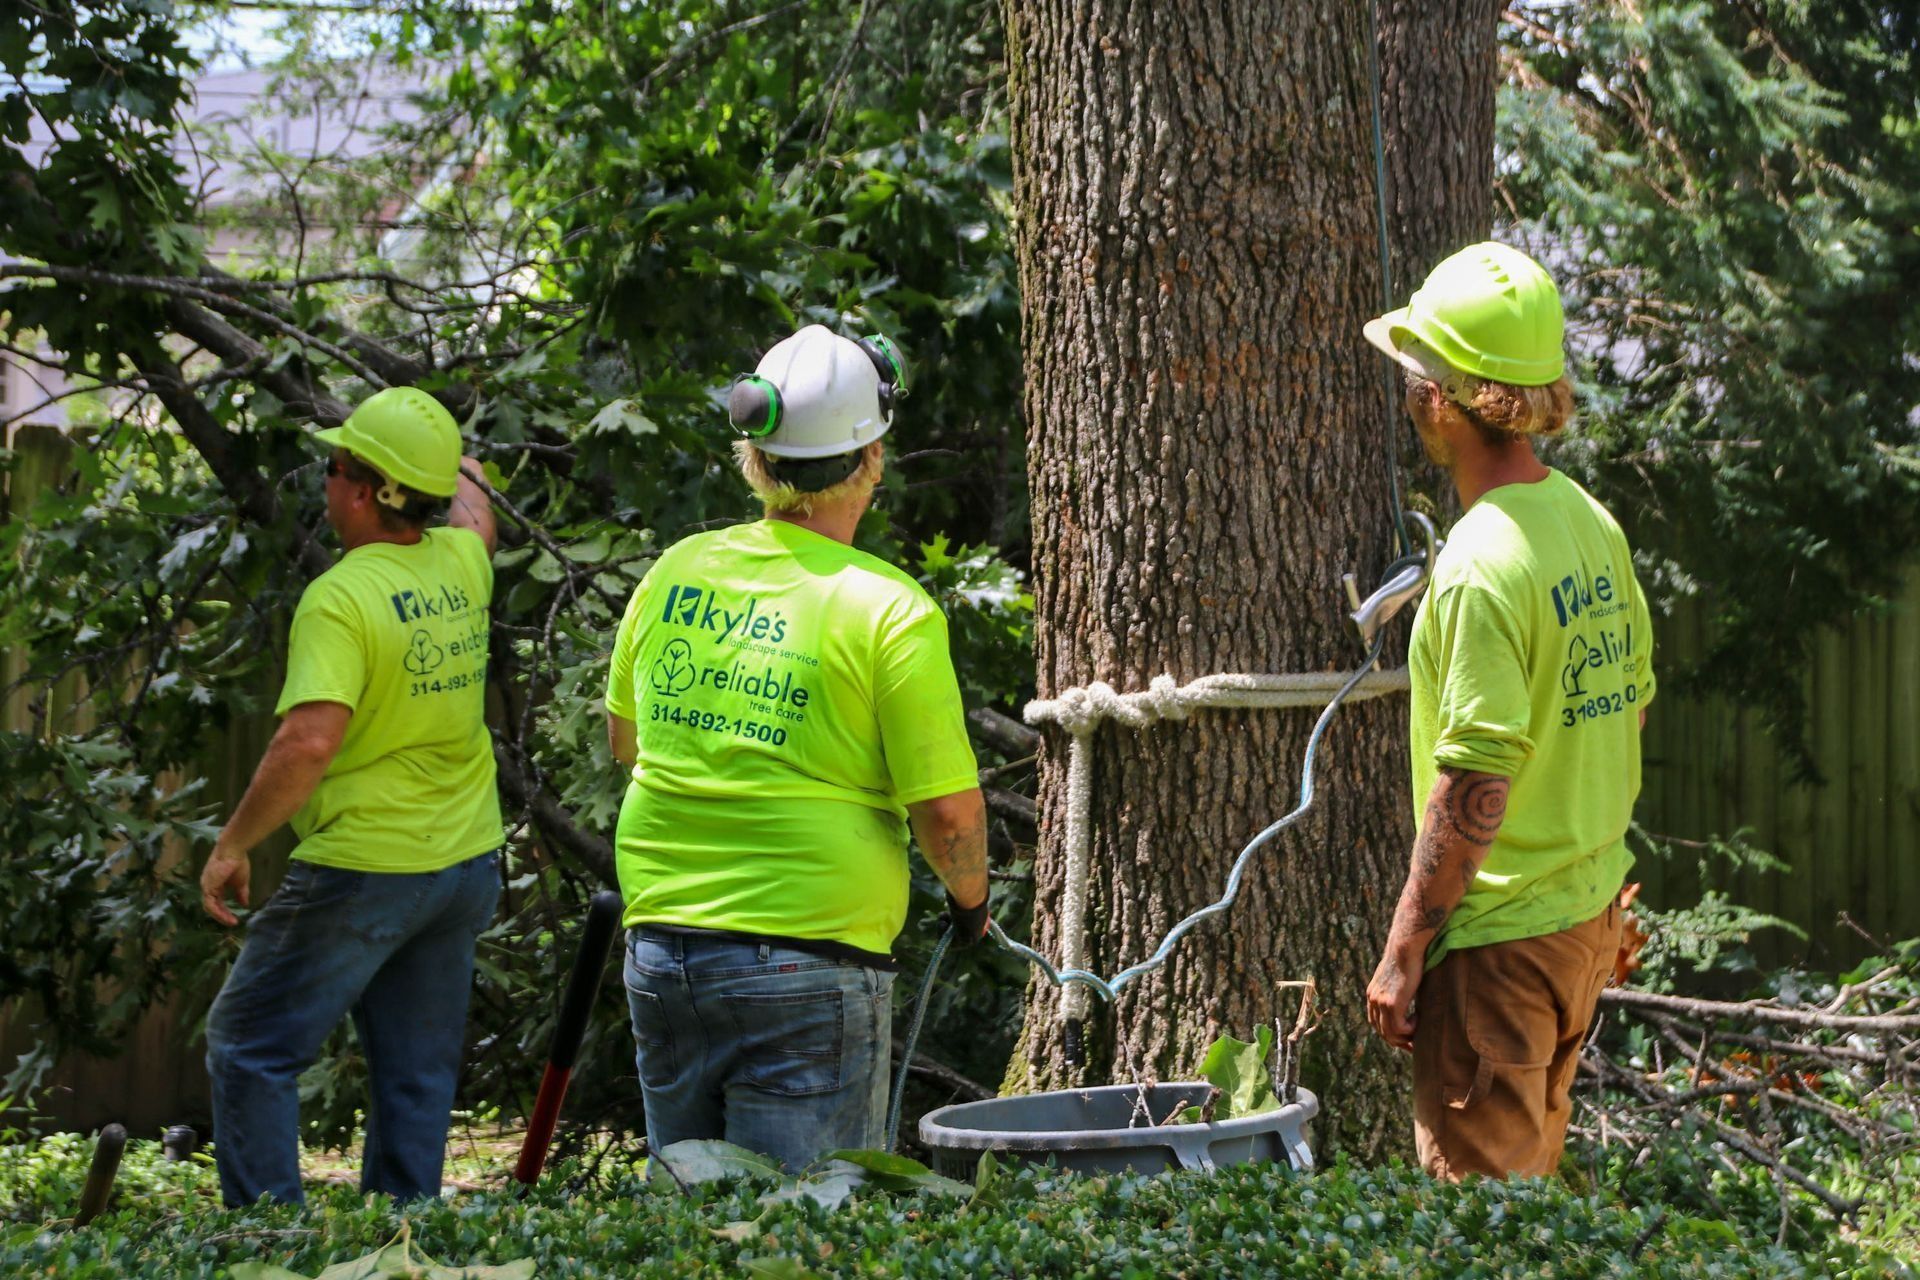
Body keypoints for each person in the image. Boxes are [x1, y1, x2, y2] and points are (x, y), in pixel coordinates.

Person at [604, 325, 990, 1169]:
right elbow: (948, 813)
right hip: (809, 965)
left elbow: (629, 744)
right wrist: (970, 904)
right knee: (801, 1234)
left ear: (757, 456)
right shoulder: (889, 610)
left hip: (664, 951)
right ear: (872, 459)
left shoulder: (675, 570)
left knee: (690, 1229)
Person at [1360, 242, 1656, 1179]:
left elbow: (1476, 779)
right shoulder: (1587, 520)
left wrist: (1405, 951)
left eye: (1413, 370)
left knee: (1484, 1236)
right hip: (1584, 921)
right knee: (1530, 1212)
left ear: (1440, 401)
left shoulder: (1483, 564)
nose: (1405, 387)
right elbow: (1629, 708)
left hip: (1502, 949)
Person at [199, 386, 503, 1206]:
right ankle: (405, 1235)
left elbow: (308, 743)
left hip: (366, 868)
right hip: (465, 863)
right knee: (416, 1071)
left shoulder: (341, 598)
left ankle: (271, 1243)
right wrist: (457, 460)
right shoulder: (462, 562)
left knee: (248, 1045)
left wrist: (231, 846)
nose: (325, 482)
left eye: (334, 468)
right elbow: (475, 509)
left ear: (364, 492)